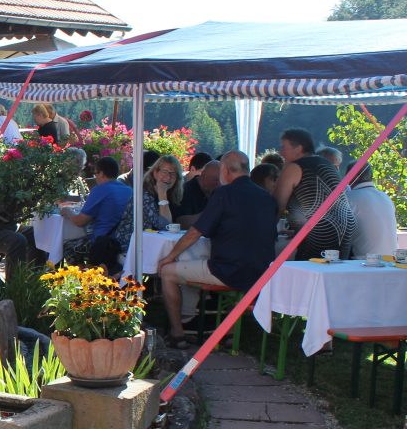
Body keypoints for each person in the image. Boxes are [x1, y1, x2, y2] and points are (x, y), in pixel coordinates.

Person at [157, 151, 277, 348]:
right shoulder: (266, 197)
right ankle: (227, 331)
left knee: (167, 272)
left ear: (225, 170)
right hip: (262, 270)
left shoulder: (224, 193)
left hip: (228, 270)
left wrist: (170, 256)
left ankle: (177, 333)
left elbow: (196, 232)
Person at [273, 127, 355, 258]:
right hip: (345, 228)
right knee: (332, 273)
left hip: (320, 231)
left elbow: (276, 206)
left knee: (309, 272)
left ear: (298, 148)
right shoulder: (326, 163)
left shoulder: (294, 167)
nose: (280, 152)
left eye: (284, 147)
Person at [60, 156, 132, 274]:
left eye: (96, 173)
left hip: (104, 242)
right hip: (125, 240)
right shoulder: (128, 190)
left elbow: (80, 221)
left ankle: (86, 279)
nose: (95, 177)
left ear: (102, 173)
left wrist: (68, 211)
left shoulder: (100, 189)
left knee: (68, 247)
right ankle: (93, 274)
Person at [114, 154, 184, 252]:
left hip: (154, 244)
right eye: (164, 172)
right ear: (155, 172)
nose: (168, 177)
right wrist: (162, 194)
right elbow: (165, 226)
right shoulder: (144, 194)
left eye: (173, 174)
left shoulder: (173, 195)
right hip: (132, 248)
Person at [346, 165, 398, 257]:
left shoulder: (350, 197)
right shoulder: (385, 197)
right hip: (392, 260)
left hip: (364, 263)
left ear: (351, 176)